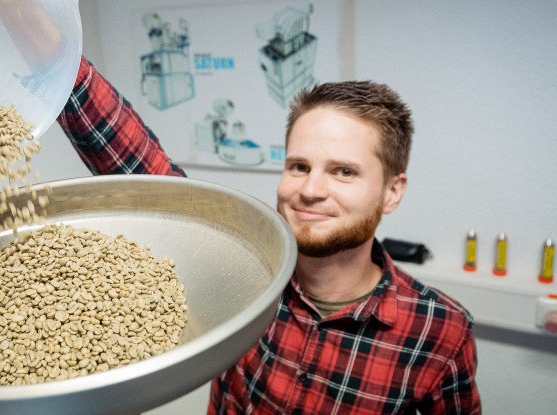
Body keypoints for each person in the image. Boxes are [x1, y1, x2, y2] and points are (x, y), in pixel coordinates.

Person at [57, 56, 480, 414]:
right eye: (299, 166)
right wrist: (56, 56)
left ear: (392, 191)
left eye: (344, 171)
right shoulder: (244, 272)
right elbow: (141, 170)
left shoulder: (441, 334)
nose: (310, 190)